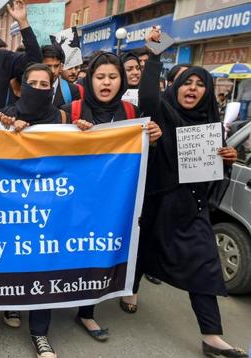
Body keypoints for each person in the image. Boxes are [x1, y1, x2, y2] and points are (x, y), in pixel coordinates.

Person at [134, 27, 248, 358]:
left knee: (204, 264)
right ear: (176, 88)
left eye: (201, 85)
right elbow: (148, 98)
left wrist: (228, 158)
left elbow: (214, 173)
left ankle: (211, 337)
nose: (193, 89)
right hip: (158, 202)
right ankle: (127, 292)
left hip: (192, 208)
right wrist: (154, 56)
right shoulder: (163, 111)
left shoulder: (210, 123)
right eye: (187, 83)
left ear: (208, 92)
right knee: (143, 252)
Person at [62, 51, 162, 342]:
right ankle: (50, 300)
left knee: (97, 252)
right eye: (100, 76)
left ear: (121, 82)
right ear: (89, 78)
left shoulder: (131, 115)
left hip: (110, 201)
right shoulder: (71, 109)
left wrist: (151, 140)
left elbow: (139, 160)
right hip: (72, 199)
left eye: (113, 77)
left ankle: (86, 312)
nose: (106, 83)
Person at [0, 63, 68, 358]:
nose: (38, 88)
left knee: (44, 265)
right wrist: (10, 132)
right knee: (14, 258)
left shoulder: (62, 118)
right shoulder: (5, 115)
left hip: (49, 205)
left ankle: (40, 333)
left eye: (44, 84)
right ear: (21, 86)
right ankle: (12, 303)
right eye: (32, 83)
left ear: (51, 88)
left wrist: (84, 131)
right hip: (11, 206)